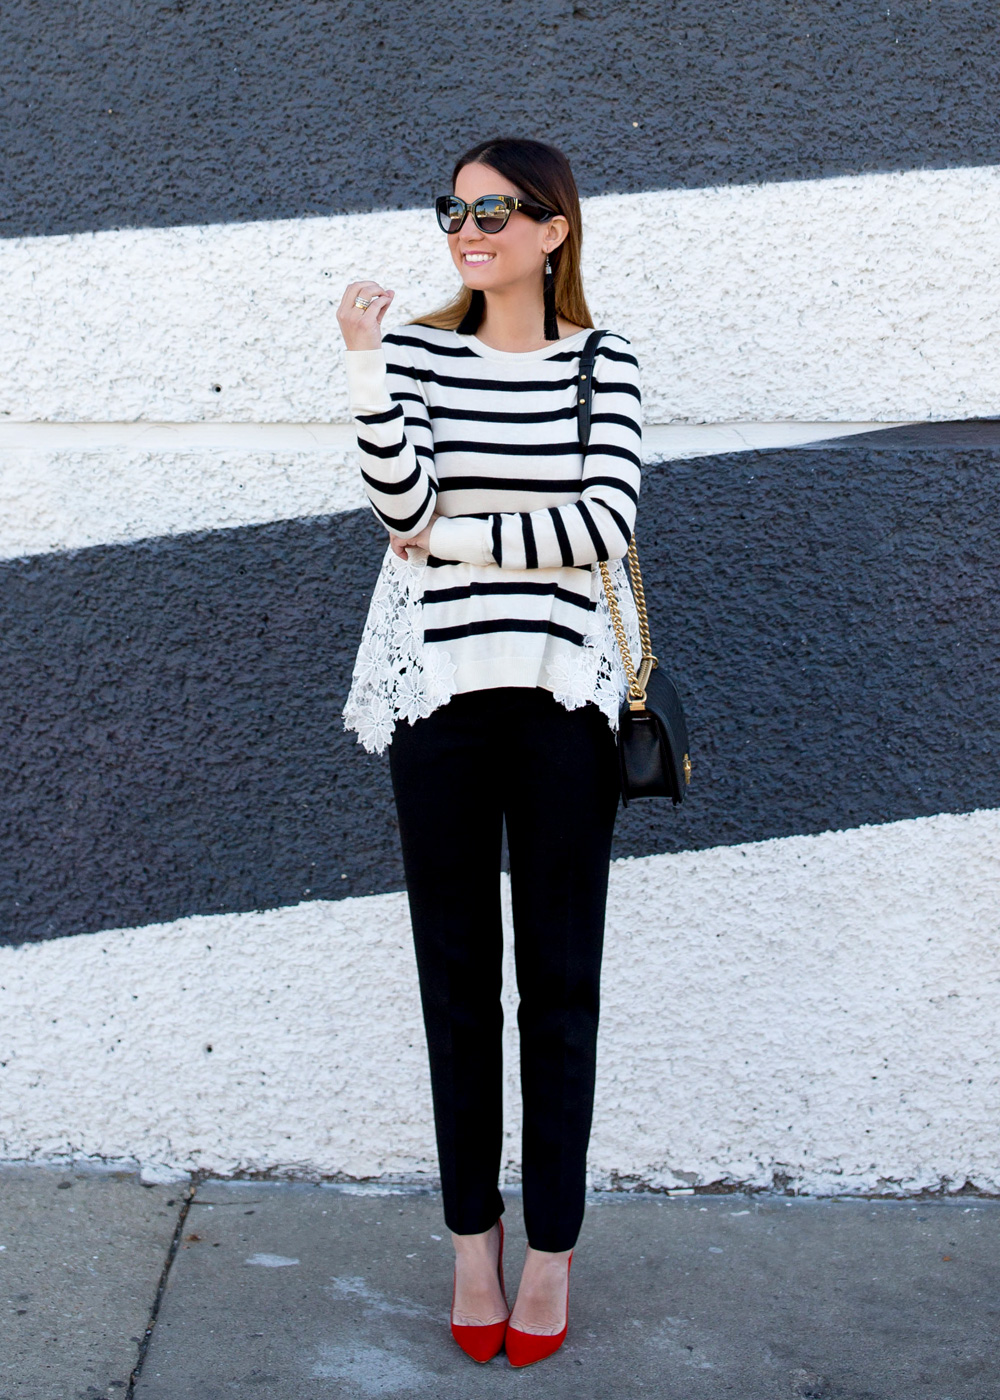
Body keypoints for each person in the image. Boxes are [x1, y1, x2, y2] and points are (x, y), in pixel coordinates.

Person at [337, 136, 642, 1368]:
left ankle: (554, 1247)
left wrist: (460, 544)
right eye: (454, 209)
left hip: (565, 699)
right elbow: (399, 507)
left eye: (497, 210)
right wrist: (363, 368)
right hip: (440, 700)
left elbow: (601, 522)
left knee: (558, 986)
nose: (471, 228)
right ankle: (475, 1234)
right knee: (456, 982)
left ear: (553, 229)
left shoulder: (599, 362)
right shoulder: (412, 352)